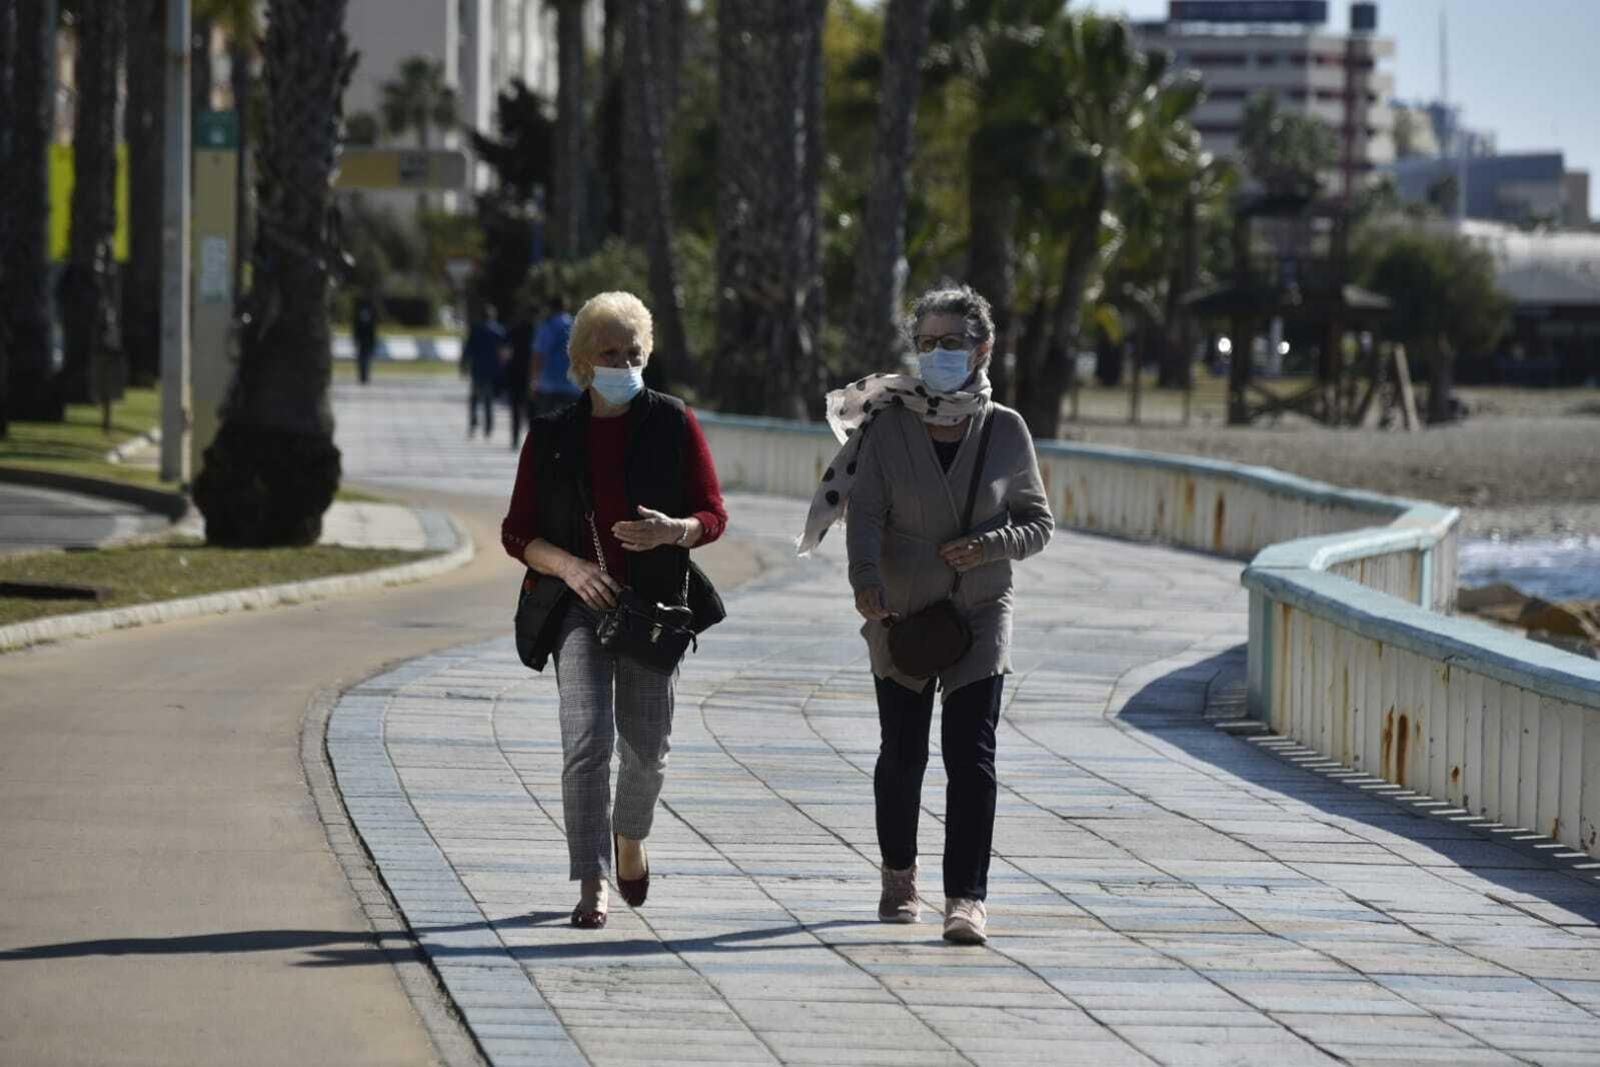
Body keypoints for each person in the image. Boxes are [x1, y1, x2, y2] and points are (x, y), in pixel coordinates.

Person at [798, 284, 1053, 945]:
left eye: (953, 343)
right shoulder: (888, 424)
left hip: (980, 608)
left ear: (983, 350)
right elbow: (866, 512)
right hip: (901, 607)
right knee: (903, 752)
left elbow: (1037, 522)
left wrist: (988, 546)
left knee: (971, 754)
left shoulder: (1006, 430)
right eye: (928, 342)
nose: (939, 354)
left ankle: (966, 897)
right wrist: (865, 581)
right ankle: (898, 873)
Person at [501, 291, 729, 929]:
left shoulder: (674, 422)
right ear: (579, 362)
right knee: (587, 743)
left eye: (633, 352)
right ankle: (592, 878)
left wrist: (674, 531)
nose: (623, 363)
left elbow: (713, 514)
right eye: (609, 353)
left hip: (654, 610)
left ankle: (631, 835)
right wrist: (571, 568)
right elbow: (517, 534)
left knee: (648, 749)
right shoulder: (551, 435)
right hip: (577, 607)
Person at [464, 303, 510, 440]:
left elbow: (469, 349)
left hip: (477, 369)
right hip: (492, 371)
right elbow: (504, 352)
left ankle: (473, 424)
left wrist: (464, 364)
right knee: (489, 400)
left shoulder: (476, 329)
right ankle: (489, 427)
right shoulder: (499, 331)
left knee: (474, 398)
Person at [531, 295, 582, 416]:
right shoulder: (576, 325)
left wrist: (534, 380)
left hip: (548, 385)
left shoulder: (545, 327)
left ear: (551, 308)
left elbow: (538, 355)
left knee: (547, 428)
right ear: (566, 307)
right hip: (573, 385)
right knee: (571, 427)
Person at [506, 306, 537, 450]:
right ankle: (532, 440)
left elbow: (506, 351)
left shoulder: (514, 329)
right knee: (532, 410)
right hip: (531, 375)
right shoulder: (537, 331)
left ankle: (515, 439)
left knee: (516, 409)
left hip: (515, 373)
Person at [352, 296, 380, 384]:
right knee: (364, 358)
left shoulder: (361, 313)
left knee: (364, 358)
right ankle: (364, 376)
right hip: (365, 339)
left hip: (364, 339)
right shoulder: (368, 313)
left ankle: (364, 376)